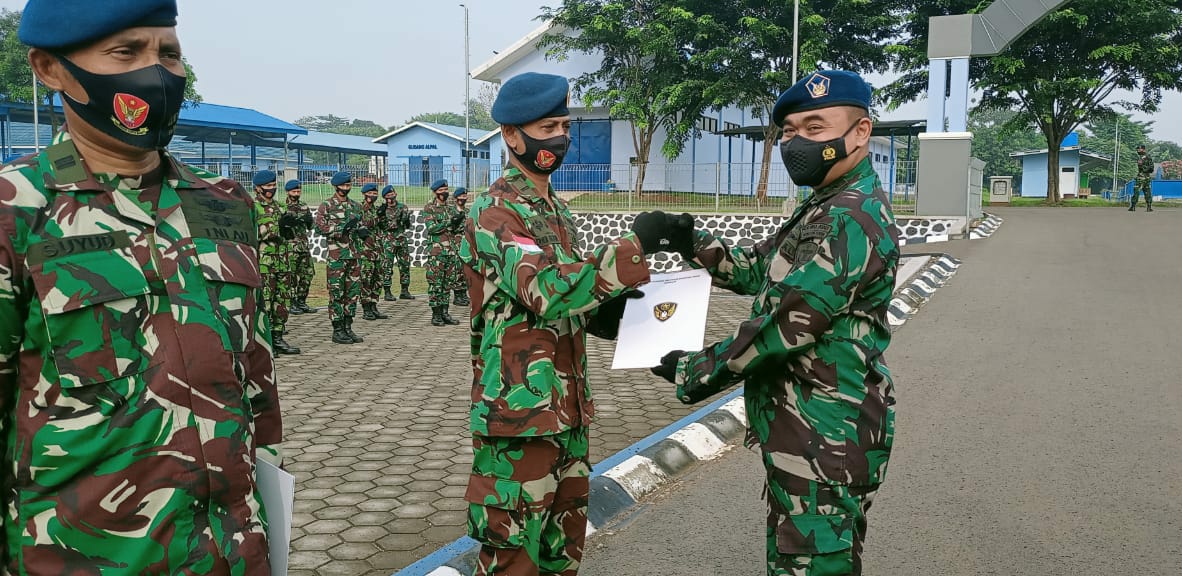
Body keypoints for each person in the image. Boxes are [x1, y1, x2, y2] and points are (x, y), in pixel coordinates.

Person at [0, 0, 281, 571]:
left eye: (169, 54)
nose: (157, 74)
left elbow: (254, 377)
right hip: (87, 558)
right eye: (126, 52)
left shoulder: (223, 206)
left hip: (229, 553)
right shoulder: (17, 210)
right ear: (52, 70)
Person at [641, 70, 900, 576]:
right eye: (788, 131)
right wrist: (692, 243)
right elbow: (763, 269)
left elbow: (787, 324)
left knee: (813, 562)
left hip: (828, 430)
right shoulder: (826, 203)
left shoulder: (851, 214)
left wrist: (691, 369)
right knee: (801, 556)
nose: (797, 142)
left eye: (816, 127)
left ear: (861, 132)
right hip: (810, 425)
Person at [458, 71, 653, 576]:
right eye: (547, 127)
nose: (559, 138)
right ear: (511, 135)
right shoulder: (494, 210)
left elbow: (578, 299)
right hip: (518, 421)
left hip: (568, 416)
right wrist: (633, 251)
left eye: (564, 125)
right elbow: (544, 290)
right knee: (513, 561)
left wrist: (635, 312)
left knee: (561, 558)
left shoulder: (557, 211)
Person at [314, 171, 367, 344]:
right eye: (343, 186)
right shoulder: (327, 206)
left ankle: (348, 327)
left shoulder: (356, 206)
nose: (346, 188)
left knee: (352, 293)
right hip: (337, 256)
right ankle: (337, 329)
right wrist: (339, 231)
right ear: (336, 187)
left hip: (354, 255)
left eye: (348, 185)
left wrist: (361, 231)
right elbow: (320, 228)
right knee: (337, 293)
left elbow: (362, 225)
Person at [253, 169, 300, 355]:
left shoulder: (280, 207)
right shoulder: (251, 207)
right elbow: (250, 234)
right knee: (265, 300)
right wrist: (274, 230)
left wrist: (289, 228)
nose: (271, 190)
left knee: (282, 301)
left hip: (283, 260)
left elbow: (289, 235)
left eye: (273, 186)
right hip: (265, 262)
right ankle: (264, 342)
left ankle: (278, 337)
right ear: (258, 188)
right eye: (267, 187)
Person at [422, 178, 462, 326]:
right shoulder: (429, 208)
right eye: (441, 191)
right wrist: (449, 223)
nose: (444, 193)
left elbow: (456, 230)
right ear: (435, 192)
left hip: (451, 251)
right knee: (436, 284)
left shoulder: (451, 209)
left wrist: (457, 223)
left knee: (447, 284)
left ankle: (445, 313)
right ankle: (436, 314)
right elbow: (432, 228)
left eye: (446, 190)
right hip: (436, 252)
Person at [284, 178, 318, 315]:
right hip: (290, 247)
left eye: (298, 190)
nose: (297, 193)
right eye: (294, 191)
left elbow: (310, 226)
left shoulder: (304, 206)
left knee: (307, 274)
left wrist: (309, 221)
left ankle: (301, 301)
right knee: (291, 276)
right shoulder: (283, 207)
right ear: (288, 192)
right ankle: (291, 303)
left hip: (304, 246)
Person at [358, 183, 389, 320]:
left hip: (378, 249)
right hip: (365, 250)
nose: (373, 196)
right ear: (364, 194)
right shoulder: (359, 209)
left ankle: (374, 305)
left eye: (375, 194)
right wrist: (378, 216)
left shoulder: (376, 209)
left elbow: (384, 227)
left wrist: (383, 216)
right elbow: (365, 224)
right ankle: (366, 308)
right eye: (370, 193)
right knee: (366, 279)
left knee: (378, 279)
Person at [379, 184, 415, 301]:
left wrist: (406, 220)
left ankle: (405, 290)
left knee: (405, 265)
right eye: (388, 195)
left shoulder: (402, 207)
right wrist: (395, 221)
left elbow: (407, 226)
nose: (391, 197)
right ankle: (387, 291)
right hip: (388, 241)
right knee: (387, 266)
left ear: (396, 194)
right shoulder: (383, 209)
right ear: (385, 197)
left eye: (392, 194)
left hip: (401, 240)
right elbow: (383, 226)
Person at [451, 186, 471, 307]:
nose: (463, 198)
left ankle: (464, 294)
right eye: (461, 196)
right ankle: (457, 295)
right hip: (455, 242)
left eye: (465, 196)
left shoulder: (468, 212)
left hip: (466, 243)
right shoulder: (451, 211)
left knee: (465, 269)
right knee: (457, 269)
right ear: (456, 198)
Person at [1130, 144, 1155, 212]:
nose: (1138, 150)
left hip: (1141, 177)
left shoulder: (1141, 158)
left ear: (1143, 149)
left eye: (1139, 149)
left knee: (1136, 191)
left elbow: (1141, 167)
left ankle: (1133, 206)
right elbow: (1152, 168)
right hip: (1147, 177)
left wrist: (1143, 170)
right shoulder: (1149, 157)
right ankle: (1149, 207)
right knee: (1147, 192)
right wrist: (1147, 171)